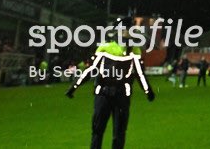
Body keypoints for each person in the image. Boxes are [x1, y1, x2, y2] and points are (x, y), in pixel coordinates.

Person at [65, 17, 155, 149]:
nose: (129, 31)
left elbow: (139, 73)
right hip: (105, 94)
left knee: (117, 132)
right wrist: (74, 87)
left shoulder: (134, 49)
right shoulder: (106, 46)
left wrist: (148, 91)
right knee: (100, 131)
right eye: (127, 28)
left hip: (118, 96)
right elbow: (91, 69)